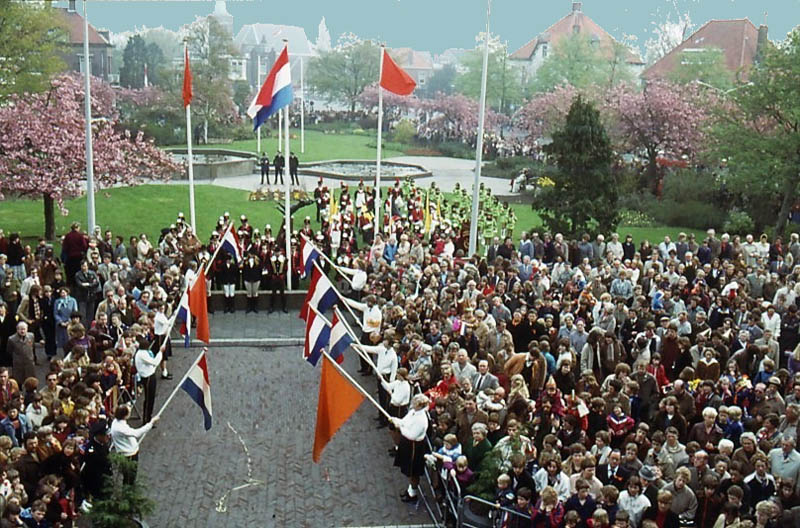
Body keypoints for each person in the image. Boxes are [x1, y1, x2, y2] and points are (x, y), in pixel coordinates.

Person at [392, 394, 430, 503]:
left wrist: (400, 427)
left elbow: (412, 435)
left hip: (414, 447)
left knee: (413, 472)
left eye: (415, 402)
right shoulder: (412, 412)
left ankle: (413, 493)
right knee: (407, 469)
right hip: (407, 443)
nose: (412, 403)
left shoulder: (422, 420)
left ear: (420, 405)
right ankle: (410, 490)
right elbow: (404, 422)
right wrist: (396, 420)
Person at [109, 404, 159, 485]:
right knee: (129, 478)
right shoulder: (121, 428)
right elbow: (137, 433)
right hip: (129, 455)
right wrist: (151, 423)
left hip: (129, 452)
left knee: (129, 476)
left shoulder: (117, 422)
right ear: (125, 415)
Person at [7, 322, 35, 387]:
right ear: (17, 329)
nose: (22, 331)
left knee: (30, 379)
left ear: (27, 329)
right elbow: (9, 350)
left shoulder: (31, 336)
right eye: (20, 329)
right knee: (18, 380)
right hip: (18, 363)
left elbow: (33, 347)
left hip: (29, 362)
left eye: (24, 329)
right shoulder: (11, 339)